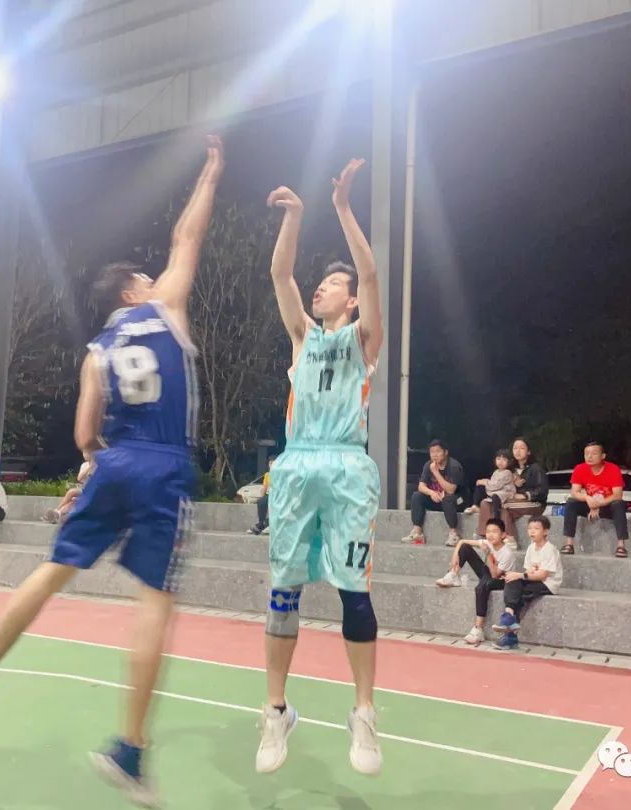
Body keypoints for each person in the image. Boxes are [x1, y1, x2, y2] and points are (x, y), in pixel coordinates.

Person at [0, 137, 223, 808]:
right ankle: (130, 748)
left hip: (113, 461)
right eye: (146, 277)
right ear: (133, 290)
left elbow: (82, 435)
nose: (156, 279)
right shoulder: (165, 309)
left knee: (53, 570)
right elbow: (188, 237)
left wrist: (102, 463)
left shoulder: (97, 350)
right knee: (155, 602)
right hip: (163, 465)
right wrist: (212, 170)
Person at [257, 159, 384, 776]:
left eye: (332, 285)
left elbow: (370, 271)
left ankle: (364, 712)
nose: (320, 289)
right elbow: (280, 272)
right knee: (284, 591)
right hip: (296, 466)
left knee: (353, 592)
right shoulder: (302, 338)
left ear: (351, 300)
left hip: (346, 469)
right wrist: (296, 216)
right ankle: (275, 710)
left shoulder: (363, 340)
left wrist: (341, 207)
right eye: (322, 284)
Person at [435, 519, 519, 647]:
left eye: (494, 531)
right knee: (465, 548)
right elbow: (462, 542)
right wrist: (455, 556)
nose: (490, 535)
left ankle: (478, 628)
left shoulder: (507, 553)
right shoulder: (487, 542)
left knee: (482, 586)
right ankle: (453, 575)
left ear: (503, 535)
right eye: (488, 531)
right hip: (489, 573)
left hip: (502, 580)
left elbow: (495, 575)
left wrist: (488, 554)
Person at [492, 516, 562, 651]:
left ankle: (510, 631)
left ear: (545, 531)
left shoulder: (549, 549)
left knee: (516, 587)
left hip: (548, 584)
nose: (532, 531)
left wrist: (519, 575)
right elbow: (528, 571)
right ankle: (509, 619)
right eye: (529, 528)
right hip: (535, 580)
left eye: (536, 528)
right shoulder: (531, 548)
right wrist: (516, 576)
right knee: (512, 581)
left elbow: (542, 575)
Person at [560, 442, 629, 558]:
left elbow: (617, 495)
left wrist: (598, 505)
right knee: (571, 503)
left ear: (603, 456)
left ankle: (621, 545)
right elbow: (575, 492)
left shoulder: (613, 469)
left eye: (594, 453)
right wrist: (587, 498)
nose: (589, 456)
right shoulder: (580, 469)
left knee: (619, 504)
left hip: (607, 506)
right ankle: (569, 544)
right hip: (591, 504)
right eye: (586, 453)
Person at [475, 437, 548, 545]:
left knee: (505, 507)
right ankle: (485, 535)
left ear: (528, 451)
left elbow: (542, 490)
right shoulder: (511, 469)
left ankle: (510, 538)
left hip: (534, 503)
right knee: (485, 503)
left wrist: (525, 495)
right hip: (513, 500)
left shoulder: (536, 468)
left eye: (522, 448)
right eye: (515, 448)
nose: (518, 451)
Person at [400, 439, 464, 546]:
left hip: (459, 500)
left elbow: (451, 490)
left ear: (445, 452)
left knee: (448, 499)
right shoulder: (428, 465)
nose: (435, 455)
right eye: (432, 452)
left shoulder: (454, 466)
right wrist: (432, 493)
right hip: (438, 499)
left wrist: (435, 472)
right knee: (417, 496)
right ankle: (417, 533)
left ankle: (454, 534)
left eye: (438, 451)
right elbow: (421, 486)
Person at [466, 450, 517, 525]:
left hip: (504, 492)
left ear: (509, 462)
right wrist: (484, 482)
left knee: (495, 496)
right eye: (498, 459)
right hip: (494, 490)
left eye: (504, 459)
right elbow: (492, 484)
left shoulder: (508, 473)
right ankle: (475, 505)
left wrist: (485, 482)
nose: (501, 461)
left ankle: (497, 518)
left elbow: (497, 485)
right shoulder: (496, 472)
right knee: (480, 487)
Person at [42, 451, 95, 524]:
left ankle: (56, 514)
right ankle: (56, 512)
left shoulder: (98, 466)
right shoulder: (84, 465)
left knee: (74, 500)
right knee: (72, 494)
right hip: (84, 489)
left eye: (87, 453)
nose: (85, 455)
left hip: (93, 491)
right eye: (84, 453)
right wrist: (89, 467)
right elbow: (79, 478)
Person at [247, 455, 276, 535]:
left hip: (278, 495)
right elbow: (264, 488)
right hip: (269, 495)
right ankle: (261, 523)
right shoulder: (267, 475)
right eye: (270, 463)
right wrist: (262, 493)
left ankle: (261, 525)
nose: (272, 465)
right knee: (261, 502)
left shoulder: (281, 475)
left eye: (274, 463)